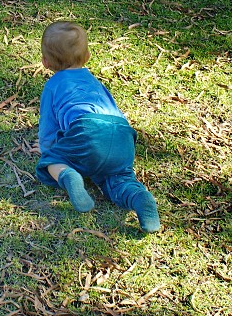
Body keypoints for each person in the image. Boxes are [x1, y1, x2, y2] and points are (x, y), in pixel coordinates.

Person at [36, 21, 160, 233]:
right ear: (88, 56)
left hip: (88, 131)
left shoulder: (53, 85)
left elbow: (48, 128)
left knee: (52, 162)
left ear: (45, 62)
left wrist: (48, 150)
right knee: (118, 179)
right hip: (122, 135)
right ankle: (139, 198)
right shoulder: (94, 81)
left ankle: (69, 176)